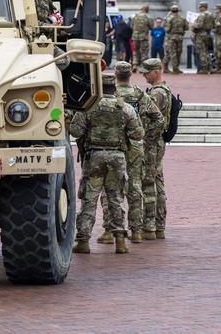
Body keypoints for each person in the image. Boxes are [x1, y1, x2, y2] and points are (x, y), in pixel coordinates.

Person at [70, 74, 144, 254]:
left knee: (89, 198)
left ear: (99, 88)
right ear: (115, 89)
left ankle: (83, 241)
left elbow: (75, 131)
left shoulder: (88, 107)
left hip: (94, 156)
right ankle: (120, 241)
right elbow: (137, 134)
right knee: (116, 199)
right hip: (117, 158)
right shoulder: (125, 108)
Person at [97, 62, 164, 244]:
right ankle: (136, 232)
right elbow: (158, 119)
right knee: (135, 187)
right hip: (135, 147)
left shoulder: (110, 95)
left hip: (113, 146)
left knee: (110, 189)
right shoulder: (139, 94)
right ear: (130, 75)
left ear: (116, 74)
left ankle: (110, 232)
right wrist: (146, 139)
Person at [139, 58, 172, 239]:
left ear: (157, 71)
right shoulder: (160, 90)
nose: (144, 75)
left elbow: (154, 121)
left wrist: (146, 141)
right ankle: (159, 225)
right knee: (157, 181)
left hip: (153, 142)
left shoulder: (158, 93)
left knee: (149, 181)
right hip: (156, 142)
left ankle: (150, 226)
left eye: (147, 72)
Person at [164, 4, 189, 74]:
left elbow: (167, 29)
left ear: (171, 10)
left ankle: (174, 68)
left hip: (171, 37)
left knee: (172, 52)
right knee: (178, 52)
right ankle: (176, 67)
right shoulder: (182, 18)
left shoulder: (169, 18)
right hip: (180, 37)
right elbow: (187, 27)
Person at [192, 1, 214, 74]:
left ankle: (204, 68)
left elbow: (199, 25)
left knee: (202, 52)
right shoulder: (211, 15)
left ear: (203, 7)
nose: (199, 8)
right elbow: (213, 25)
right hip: (207, 34)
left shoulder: (202, 15)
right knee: (206, 52)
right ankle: (210, 67)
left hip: (200, 35)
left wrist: (194, 24)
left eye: (200, 7)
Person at [131, 5, 154, 69]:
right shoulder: (148, 17)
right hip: (144, 37)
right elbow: (151, 27)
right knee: (144, 52)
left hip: (135, 36)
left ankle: (135, 64)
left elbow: (131, 25)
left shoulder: (135, 16)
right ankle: (143, 66)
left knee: (135, 50)